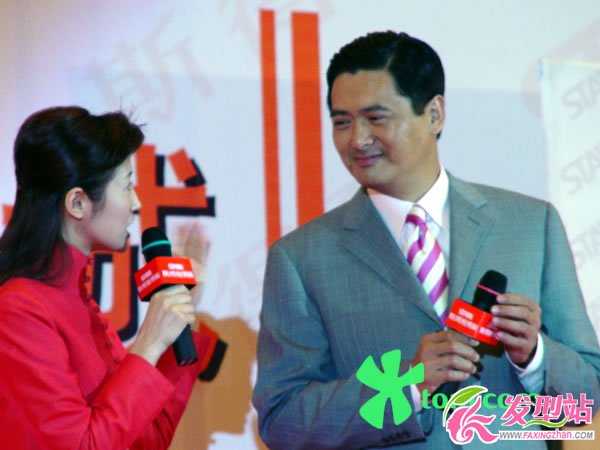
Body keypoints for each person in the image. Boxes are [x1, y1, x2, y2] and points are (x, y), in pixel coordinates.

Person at [253, 31, 600, 449]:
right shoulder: (302, 258)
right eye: (342, 121)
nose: (357, 139)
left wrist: (535, 357)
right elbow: (282, 421)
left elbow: (586, 402)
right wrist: (407, 387)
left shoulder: (530, 225)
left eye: (376, 118)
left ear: (434, 114)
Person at [0, 106, 218, 449]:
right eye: (127, 186)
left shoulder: (78, 299)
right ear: (77, 202)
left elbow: (149, 438)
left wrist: (179, 319)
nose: (137, 203)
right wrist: (148, 343)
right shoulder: (19, 311)